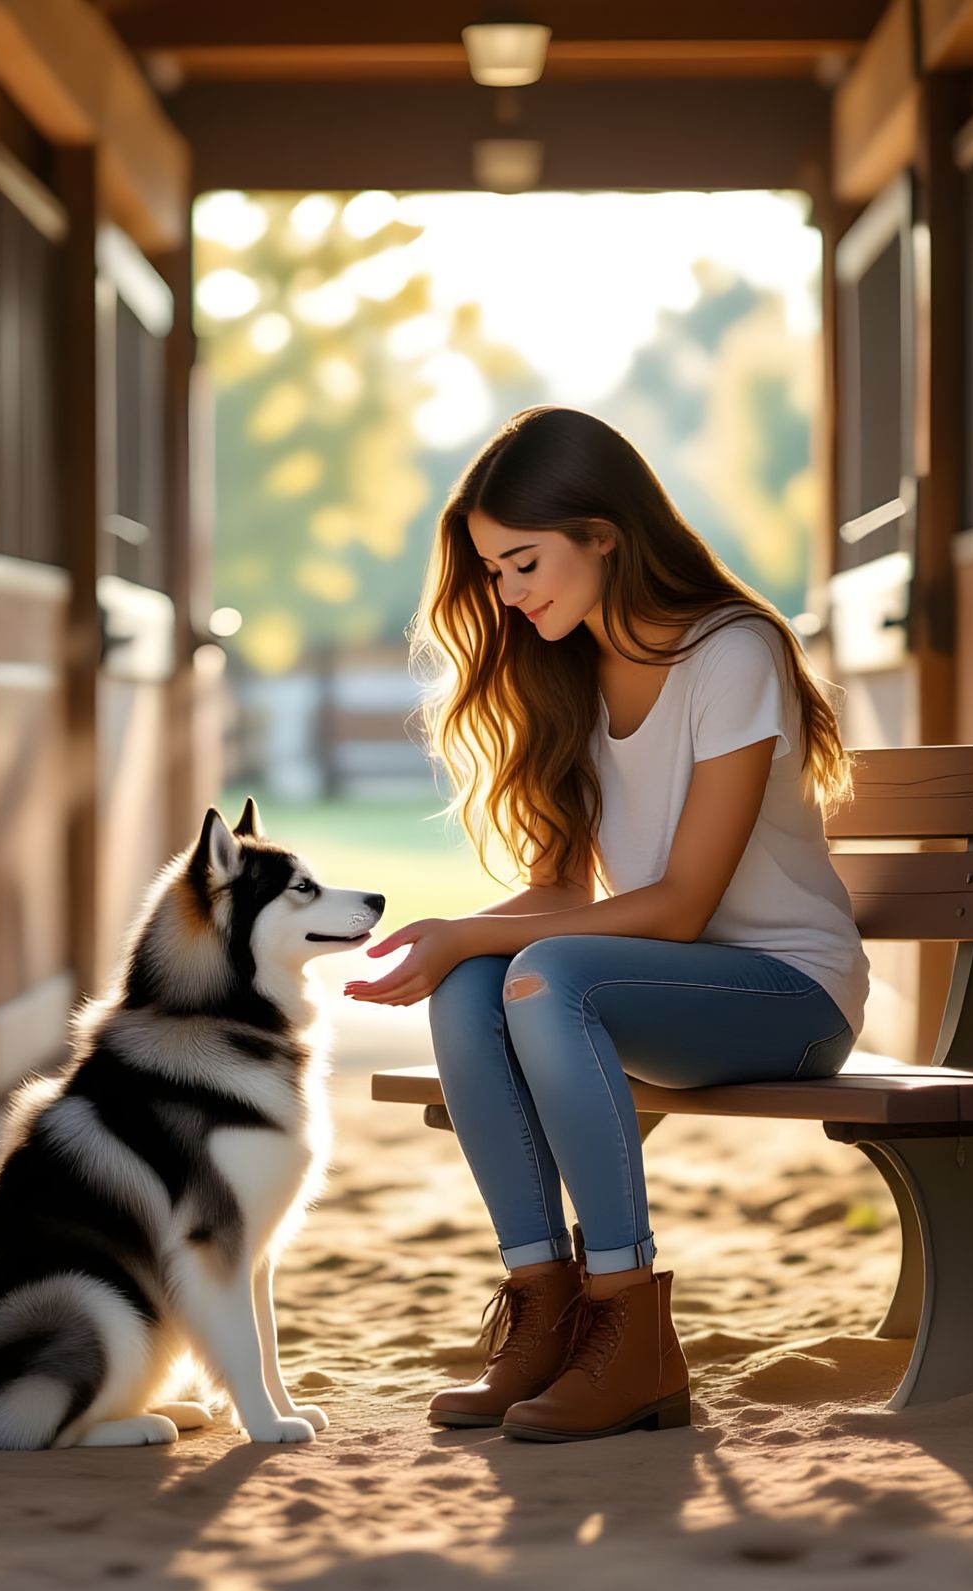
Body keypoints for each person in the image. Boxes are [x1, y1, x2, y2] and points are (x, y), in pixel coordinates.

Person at [343, 406, 868, 1444]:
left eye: (524, 561)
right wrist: (452, 933)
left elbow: (680, 904)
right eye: (493, 571)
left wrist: (483, 939)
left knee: (538, 975)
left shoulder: (734, 651)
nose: (509, 592)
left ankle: (629, 1330)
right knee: (475, 980)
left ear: (603, 535)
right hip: (657, 989)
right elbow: (562, 896)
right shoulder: (570, 671)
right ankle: (542, 1312)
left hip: (788, 995)